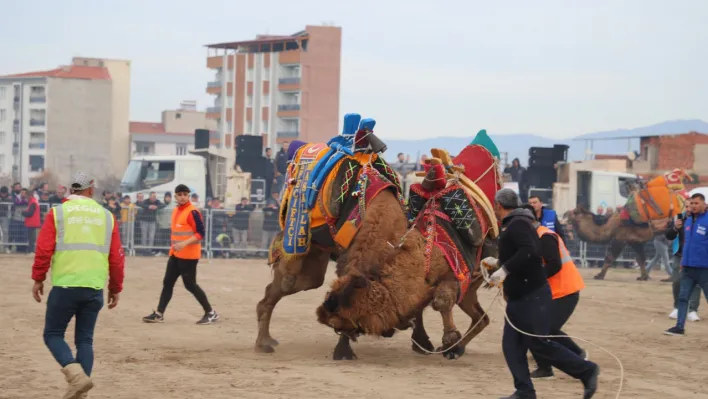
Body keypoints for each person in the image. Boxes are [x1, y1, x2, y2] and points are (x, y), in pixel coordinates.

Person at [483, 189, 599, 399]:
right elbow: (521, 252)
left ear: (498, 205)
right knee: (511, 346)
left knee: (538, 343)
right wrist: (499, 263)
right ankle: (524, 391)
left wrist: (504, 270)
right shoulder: (516, 223)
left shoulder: (517, 223)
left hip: (532, 295)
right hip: (521, 296)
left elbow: (529, 252)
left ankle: (586, 370)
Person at [31, 172, 124, 399]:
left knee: (53, 334)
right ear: (90, 190)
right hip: (94, 287)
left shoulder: (58, 213)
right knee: (84, 340)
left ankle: (75, 377)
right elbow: (117, 257)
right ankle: (80, 394)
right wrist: (115, 287)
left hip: (65, 286)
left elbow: (44, 249)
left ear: (71, 190)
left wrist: (38, 278)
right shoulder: (106, 216)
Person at [518, 203, 587, 379]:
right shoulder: (533, 238)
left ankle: (577, 355)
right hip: (551, 292)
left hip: (565, 291)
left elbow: (554, 265)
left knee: (548, 328)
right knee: (537, 328)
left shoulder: (545, 237)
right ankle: (545, 367)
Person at [142, 184, 219, 325]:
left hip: (189, 256)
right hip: (176, 254)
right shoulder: (176, 210)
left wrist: (184, 244)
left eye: (185, 194)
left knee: (190, 285)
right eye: (180, 194)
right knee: (167, 282)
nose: (183, 197)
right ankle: (159, 314)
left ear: (188, 196)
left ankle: (210, 312)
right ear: (176, 196)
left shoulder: (193, 211)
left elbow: (200, 233)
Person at [665, 193, 708, 336]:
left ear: (704, 204)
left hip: (704, 268)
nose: (693, 206)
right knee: (682, 298)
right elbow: (685, 243)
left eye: (696, 203)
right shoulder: (686, 220)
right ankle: (679, 327)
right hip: (688, 267)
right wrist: (684, 261)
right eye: (691, 204)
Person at [666, 199, 701, 321]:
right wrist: (675, 228)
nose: (688, 208)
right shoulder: (679, 218)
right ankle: (677, 307)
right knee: (677, 282)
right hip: (679, 255)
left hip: (696, 257)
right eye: (686, 206)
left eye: (691, 206)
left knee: (696, 284)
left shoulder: (701, 219)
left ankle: (692, 310)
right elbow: (668, 235)